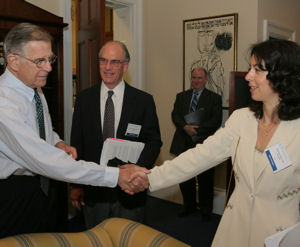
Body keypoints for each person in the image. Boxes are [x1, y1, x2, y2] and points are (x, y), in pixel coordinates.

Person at [131, 39, 300, 246]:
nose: (248, 76)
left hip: (281, 237)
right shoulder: (241, 119)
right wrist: (151, 177)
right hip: (234, 231)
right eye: (250, 68)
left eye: (257, 69)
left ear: (282, 76)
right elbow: (199, 156)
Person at [0, 23, 146, 238]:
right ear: (13, 61)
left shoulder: (34, 86)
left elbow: (42, 129)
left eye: (50, 59)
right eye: (40, 61)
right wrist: (116, 176)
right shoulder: (4, 104)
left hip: (45, 188)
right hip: (14, 194)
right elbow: (45, 160)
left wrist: (57, 142)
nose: (49, 68)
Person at [70, 40, 162, 228]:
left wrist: (137, 173)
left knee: (129, 239)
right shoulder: (84, 99)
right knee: (96, 240)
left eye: (114, 62)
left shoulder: (143, 101)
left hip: (130, 193)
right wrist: (76, 185)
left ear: (125, 65)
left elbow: (153, 142)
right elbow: (76, 143)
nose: (108, 67)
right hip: (94, 191)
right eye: (103, 61)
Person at [170, 66, 222, 219]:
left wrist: (196, 130)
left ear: (205, 80)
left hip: (204, 144)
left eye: (199, 78)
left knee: (205, 178)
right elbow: (175, 115)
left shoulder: (214, 98)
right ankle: (188, 206)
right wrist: (185, 127)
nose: (196, 81)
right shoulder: (181, 96)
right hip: (184, 142)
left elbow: (216, 121)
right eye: (194, 78)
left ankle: (206, 210)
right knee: (185, 177)